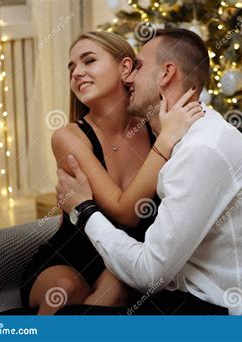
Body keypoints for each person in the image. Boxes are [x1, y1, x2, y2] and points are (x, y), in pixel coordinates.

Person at [55, 28, 242, 315]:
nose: (129, 77)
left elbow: (149, 271)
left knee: (68, 318)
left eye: (137, 66)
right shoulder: (186, 136)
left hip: (218, 312)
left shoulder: (201, 149)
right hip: (182, 296)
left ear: (165, 74)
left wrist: (83, 208)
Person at [18, 31, 204, 315]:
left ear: (125, 67)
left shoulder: (155, 126)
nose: (77, 73)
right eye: (71, 68)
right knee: (65, 289)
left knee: (115, 288)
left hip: (127, 257)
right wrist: (166, 142)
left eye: (88, 61)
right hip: (70, 257)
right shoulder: (69, 136)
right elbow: (125, 211)